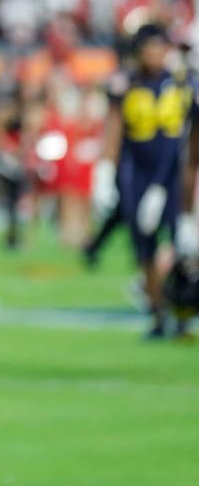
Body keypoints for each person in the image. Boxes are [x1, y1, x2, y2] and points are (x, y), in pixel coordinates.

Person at [92, 23, 199, 339]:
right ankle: (156, 315)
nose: (153, 54)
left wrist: (190, 191)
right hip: (136, 174)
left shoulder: (182, 85)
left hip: (171, 176)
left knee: (181, 248)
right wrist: (105, 172)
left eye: (158, 47)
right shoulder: (126, 84)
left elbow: (192, 140)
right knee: (144, 249)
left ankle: (182, 314)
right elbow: (114, 128)